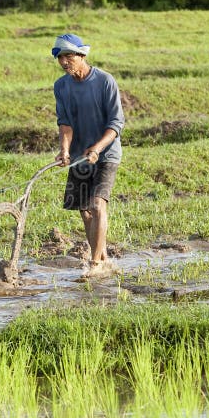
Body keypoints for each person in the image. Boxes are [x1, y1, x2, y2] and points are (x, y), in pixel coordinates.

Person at [52, 33, 125, 279]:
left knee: (97, 204)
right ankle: (102, 257)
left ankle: (94, 264)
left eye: (68, 56)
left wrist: (97, 148)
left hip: (106, 154)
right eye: (60, 57)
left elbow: (115, 124)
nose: (64, 62)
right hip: (79, 156)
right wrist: (64, 150)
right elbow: (65, 124)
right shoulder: (61, 86)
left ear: (82, 55)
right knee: (84, 211)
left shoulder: (105, 81)